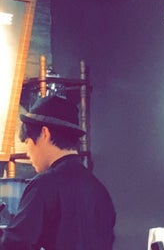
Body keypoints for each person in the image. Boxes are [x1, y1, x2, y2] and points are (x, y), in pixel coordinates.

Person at [0, 95, 116, 250]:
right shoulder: (99, 190)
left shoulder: (43, 185)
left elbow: (15, 246)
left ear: (45, 133)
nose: (28, 153)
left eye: (27, 142)